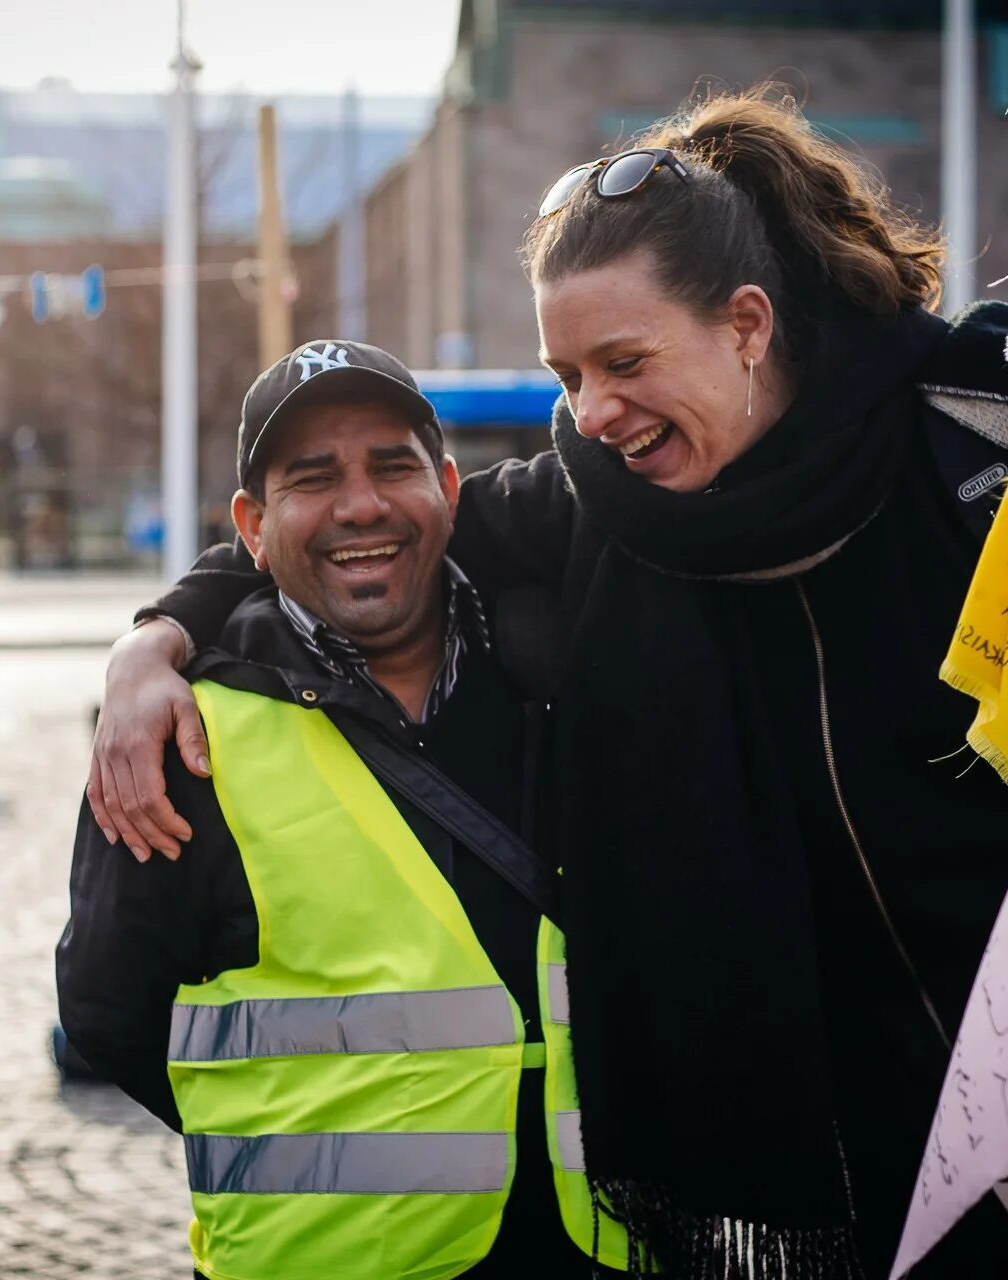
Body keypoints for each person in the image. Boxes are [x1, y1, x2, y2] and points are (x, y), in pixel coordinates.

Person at [91, 88, 1008, 1277]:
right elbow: (362, 535)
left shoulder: (987, 429)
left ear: (748, 324)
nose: (590, 411)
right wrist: (154, 643)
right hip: (776, 1176)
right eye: (566, 376)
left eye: (623, 363)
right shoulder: (593, 502)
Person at [57, 341, 628, 1280]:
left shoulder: (560, 670)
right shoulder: (185, 739)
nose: (361, 505)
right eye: (313, 479)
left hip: (592, 1248)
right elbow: (108, 1013)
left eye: (393, 466)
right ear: (252, 523)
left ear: (448, 486)